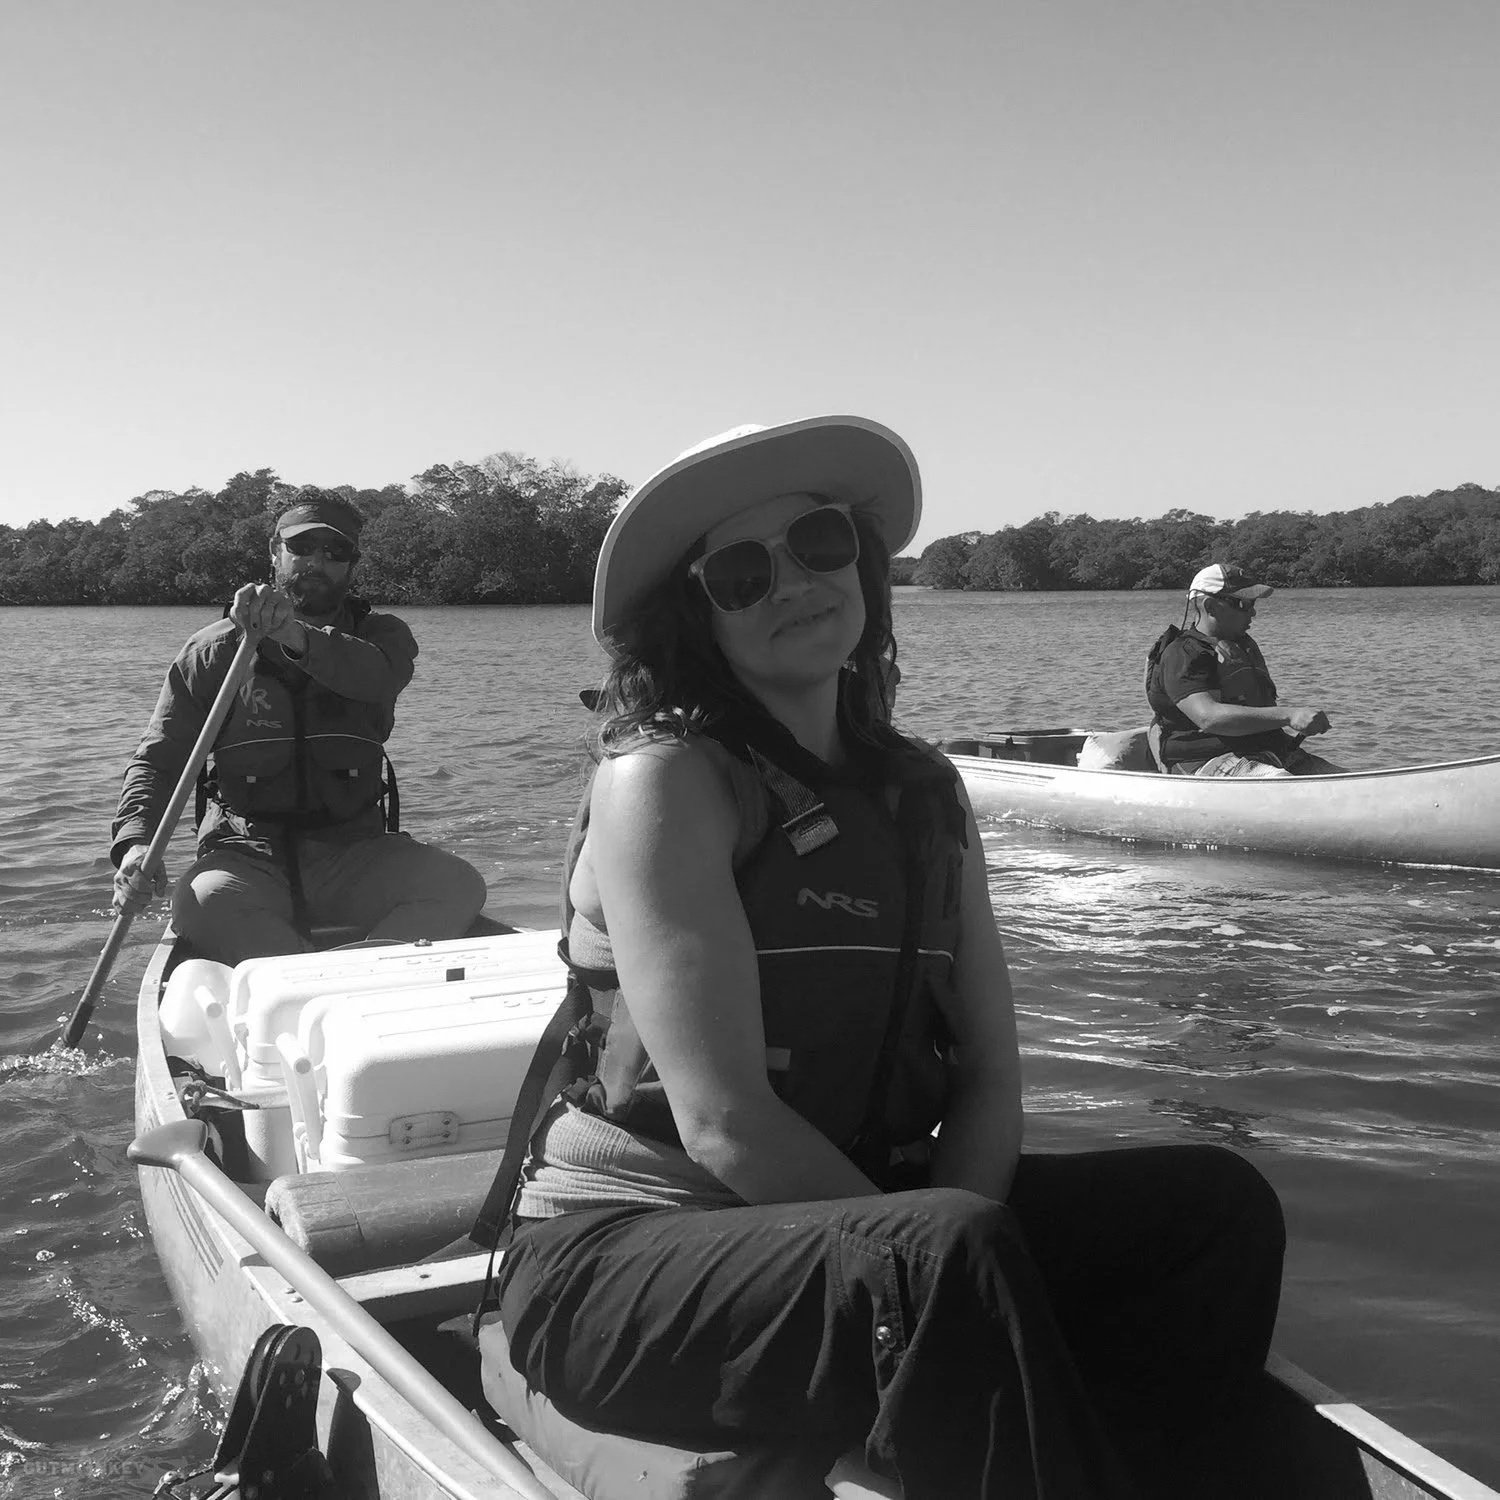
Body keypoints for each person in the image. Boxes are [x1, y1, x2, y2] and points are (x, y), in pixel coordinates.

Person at [478, 419, 1286, 1499]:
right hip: (624, 1263)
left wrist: (945, 1246)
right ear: (696, 616)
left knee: (1214, 1209)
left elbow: (992, 1081)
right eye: (739, 572)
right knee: (944, 1253)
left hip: (870, 1231)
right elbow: (723, 1125)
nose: (792, 583)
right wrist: (929, 1257)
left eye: (818, 544)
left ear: (860, 562)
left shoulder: (924, 792)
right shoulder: (668, 781)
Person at [110, 488, 487, 964]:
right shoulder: (211, 652)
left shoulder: (383, 637)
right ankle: (333, 981)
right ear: (274, 552)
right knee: (199, 903)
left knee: (457, 886)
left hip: (356, 851)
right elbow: (159, 759)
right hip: (248, 856)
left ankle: (338, 979)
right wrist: (136, 844)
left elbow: (377, 677)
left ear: (352, 565)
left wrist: (290, 632)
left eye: (335, 553)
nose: (317, 562)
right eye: (302, 547)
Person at [1146, 562, 1343, 777]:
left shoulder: (1241, 645)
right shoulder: (1182, 654)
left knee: (1344, 779)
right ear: (1210, 606)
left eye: (1253, 602)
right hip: (1205, 761)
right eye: (1243, 604)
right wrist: (1289, 715)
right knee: (1281, 781)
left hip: (1267, 750)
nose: (1253, 612)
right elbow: (1208, 717)